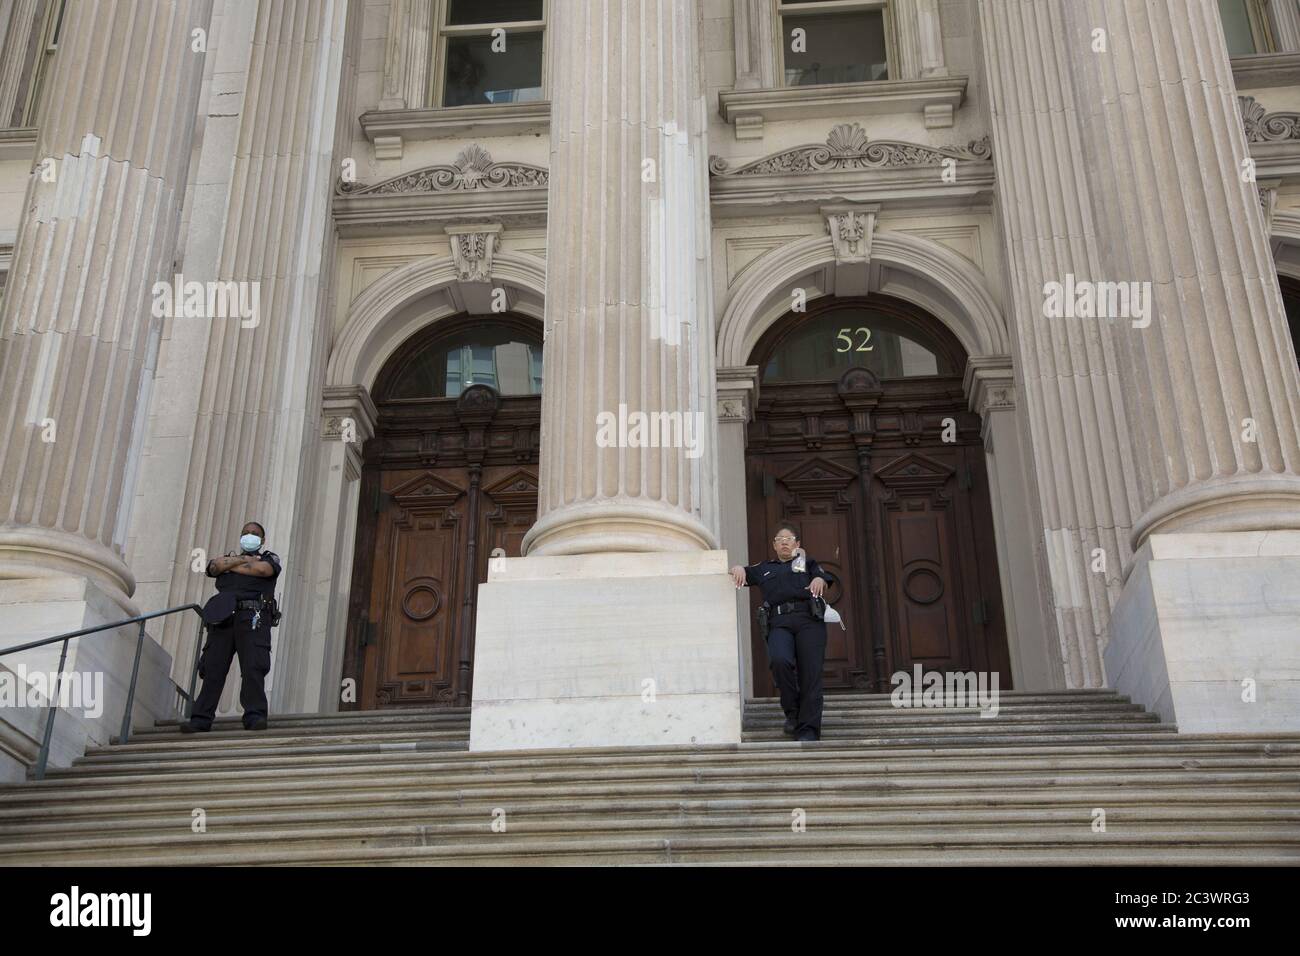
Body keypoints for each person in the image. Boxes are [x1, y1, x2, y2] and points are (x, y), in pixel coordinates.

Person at [730, 524, 835, 741]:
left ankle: (808, 730)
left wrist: (818, 579)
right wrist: (738, 568)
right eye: (780, 539)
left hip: (809, 622)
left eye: (789, 539)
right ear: (774, 545)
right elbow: (743, 574)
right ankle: (793, 713)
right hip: (779, 622)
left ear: (797, 544)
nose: (785, 542)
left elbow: (824, 577)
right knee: (779, 660)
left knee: (810, 675)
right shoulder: (765, 568)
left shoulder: (807, 563)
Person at [180, 522, 281, 733]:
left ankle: (254, 716)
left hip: (253, 618)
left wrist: (231, 564)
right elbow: (213, 567)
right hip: (223, 618)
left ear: (262, 541)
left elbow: (263, 570)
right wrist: (244, 560)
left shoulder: (269, 558)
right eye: (246, 533)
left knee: (253, 667)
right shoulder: (232, 558)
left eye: (255, 534)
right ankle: (201, 719)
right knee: (213, 669)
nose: (250, 536)